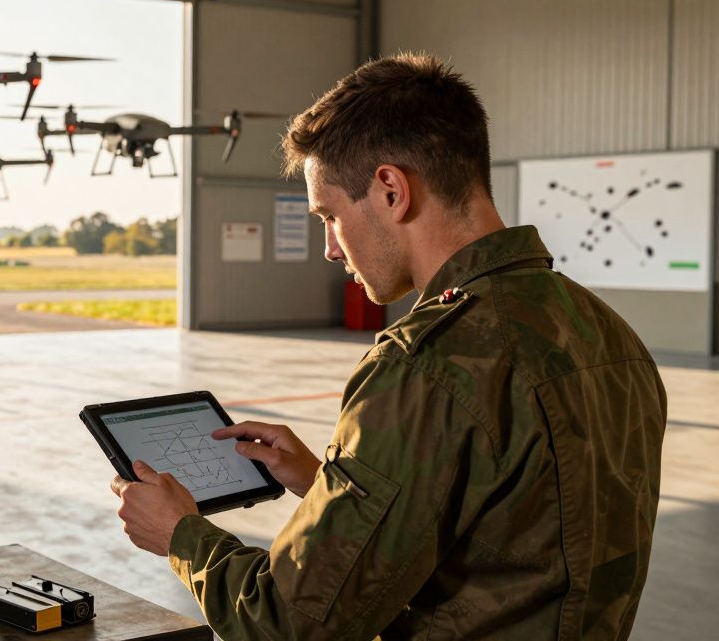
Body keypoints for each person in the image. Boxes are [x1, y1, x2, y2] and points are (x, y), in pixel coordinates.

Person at [111, 54, 667, 639]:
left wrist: (182, 535)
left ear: (391, 190)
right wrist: (328, 484)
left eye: (329, 215)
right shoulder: (607, 332)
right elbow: (512, 533)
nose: (330, 247)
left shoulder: (427, 363)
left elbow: (287, 623)